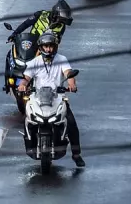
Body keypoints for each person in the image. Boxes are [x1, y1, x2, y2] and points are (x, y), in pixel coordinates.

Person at [18, 33, 85, 167]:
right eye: (46, 46)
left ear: (55, 47)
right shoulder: (34, 62)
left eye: (51, 46)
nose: (49, 49)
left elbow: (68, 73)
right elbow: (26, 77)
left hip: (57, 97)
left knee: (71, 123)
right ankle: (29, 142)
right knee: (28, 120)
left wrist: (72, 84)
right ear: (41, 47)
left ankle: (76, 154)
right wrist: (22, 85)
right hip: (38, 98)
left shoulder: (62, 59)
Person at [9, 0, 74, 42]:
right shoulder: (40, 14)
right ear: (55, 14)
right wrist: (15, 33)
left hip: (46, 48)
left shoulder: (62, 26)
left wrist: (56, 38)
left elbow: (58, 41)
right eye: (60, 19)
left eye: (63, 20)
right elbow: (26, 24)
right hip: (31, 42)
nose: (61, 21)